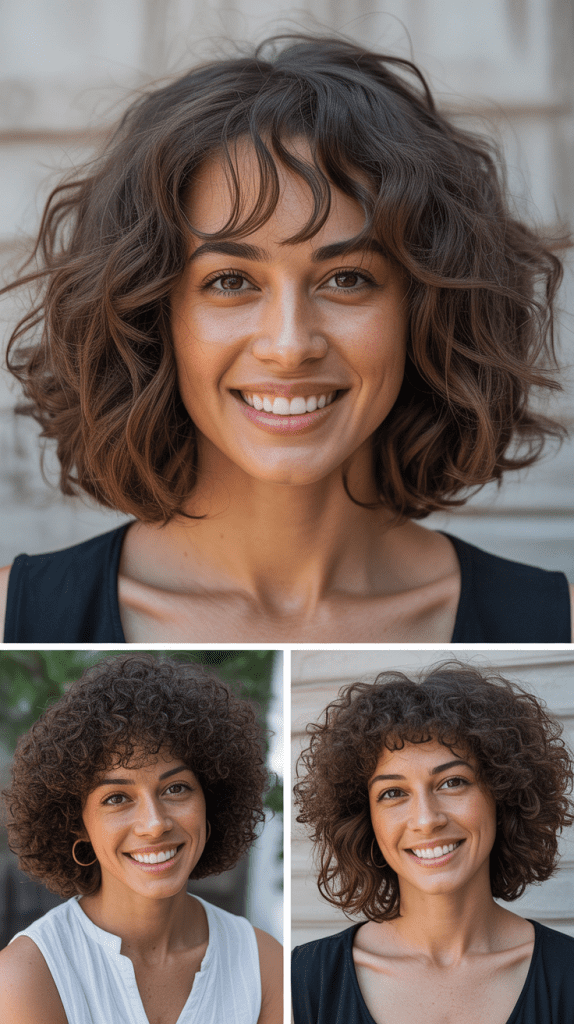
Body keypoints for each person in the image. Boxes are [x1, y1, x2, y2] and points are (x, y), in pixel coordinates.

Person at [0, 35, 572, 642]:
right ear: (149, 315)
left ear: (429, 310)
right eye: (230, 281)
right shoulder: (16, 616)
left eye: (347, 278)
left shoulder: (554, 625)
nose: (290, 344)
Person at [0, 654, 282, 1024]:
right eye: (116, 798)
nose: (154, 824)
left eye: (176, 788)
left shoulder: (265, 965)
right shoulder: (28, 974)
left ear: (210, 801)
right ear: (76, 822)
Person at [292, 662, 574, 1023]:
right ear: (365, 819)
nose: (426, 820)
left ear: (503, 794)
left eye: (452, 782)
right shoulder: (304, 980)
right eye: (393, 792)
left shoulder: (567, 975)